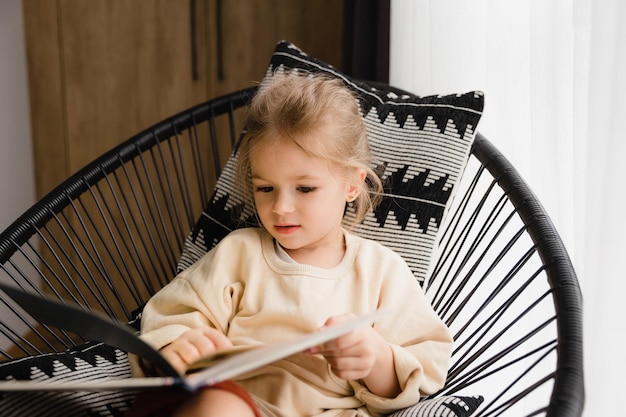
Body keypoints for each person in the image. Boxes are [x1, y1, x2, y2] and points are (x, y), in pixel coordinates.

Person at [126, 73, 453, 417]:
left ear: (352, 186)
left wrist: (376, 360)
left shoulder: (380, 271)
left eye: (305, 189)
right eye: (265, 188)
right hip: (235, 401)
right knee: (220, 408)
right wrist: (181, 345)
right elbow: (168, 316)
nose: (280, 207)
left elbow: (427, 366)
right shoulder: (240, 253)